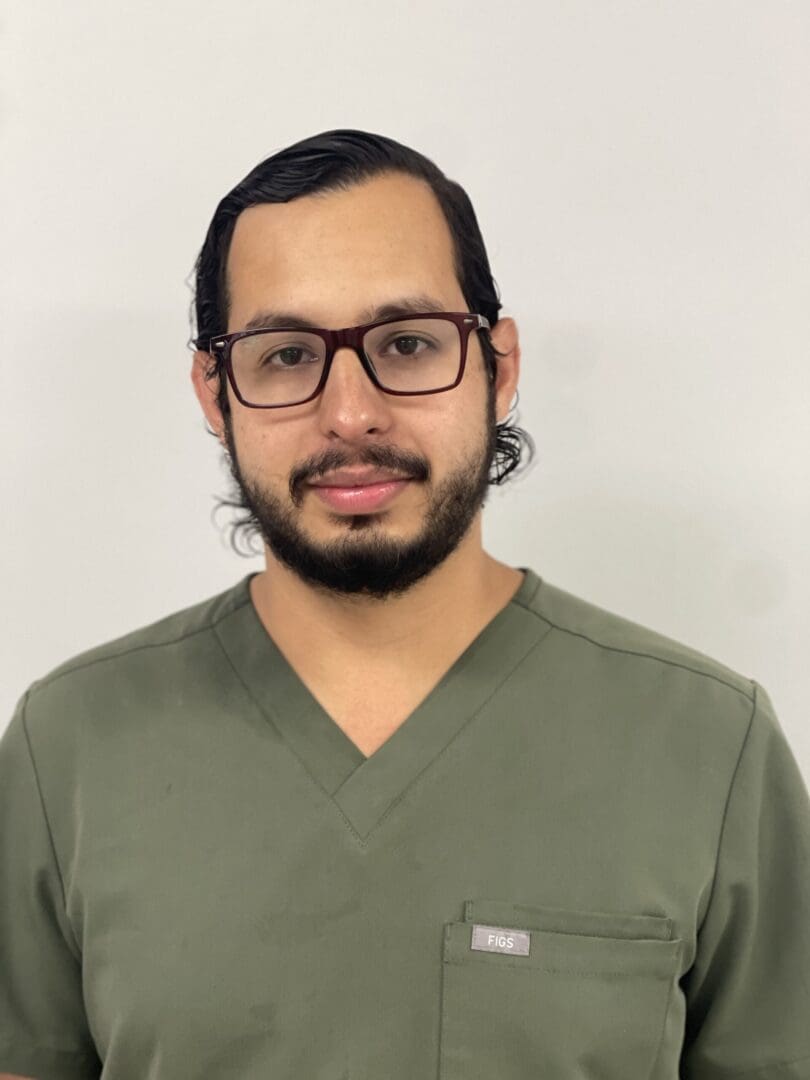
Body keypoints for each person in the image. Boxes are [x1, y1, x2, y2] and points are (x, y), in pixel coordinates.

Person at [1, 128, 808, 1080]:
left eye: (408, 343)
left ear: (498, 367)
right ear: (216, 395)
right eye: (286, 354)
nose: (350, 412)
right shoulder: (68, 753)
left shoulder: (711, 748)